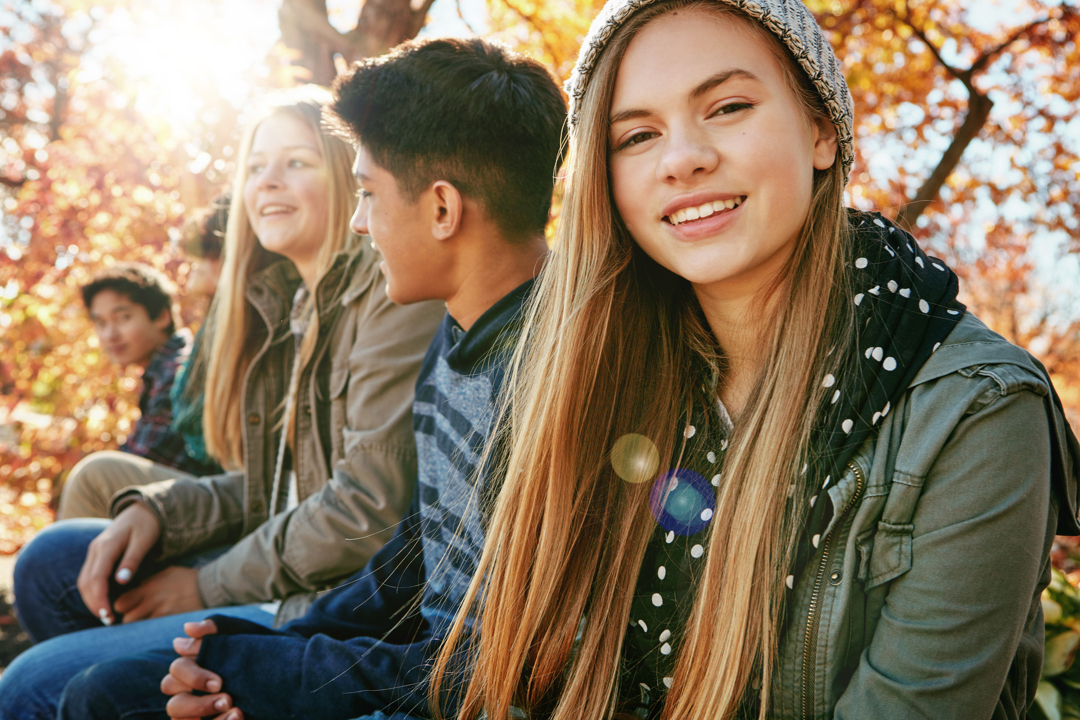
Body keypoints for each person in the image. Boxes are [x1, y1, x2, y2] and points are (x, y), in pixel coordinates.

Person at [419, 1, 1080, 719]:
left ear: (822, 129)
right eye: (637, 135)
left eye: (728, 106)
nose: (682, 159)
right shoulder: (577, 380)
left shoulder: (977, 410)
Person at [45, 36, 567, 720]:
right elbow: (414, 545)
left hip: (448, 692)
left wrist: (278, 671)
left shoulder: (549, 377)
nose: (359, 221)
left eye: (368, 193)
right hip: (404, 662)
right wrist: (289, 641)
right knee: (107, 669)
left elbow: (502, 675)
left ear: (442, 209)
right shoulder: (458, 333)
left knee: (85, 696)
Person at [0, 85, 444, 720]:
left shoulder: (391, 292)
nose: (268, 182)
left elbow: (362, 507)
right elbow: (280, 486)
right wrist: (162, 512)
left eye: (297, 162)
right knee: (51, 563)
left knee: (27, 687)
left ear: (352, 177)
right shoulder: (296, 305)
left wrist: (202, 585)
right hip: (280, 564)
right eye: (256, 166)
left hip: (317, 598)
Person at [59, 263, 207, 519]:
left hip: (210, 501)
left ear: (161, 316)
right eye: (101, 323)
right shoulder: (160, 369)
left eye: (123, 318)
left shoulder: (179, 368)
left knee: (96, 475)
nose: (110, 334)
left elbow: (150, 459)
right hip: (183, 497)